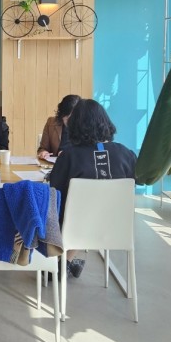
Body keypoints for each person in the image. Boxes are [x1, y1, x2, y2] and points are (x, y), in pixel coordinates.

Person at [49, 99, 136, 279]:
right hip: (117, 228)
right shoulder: (125, 154)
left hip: (75, 228)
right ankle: (66, 262)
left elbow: (55, 191)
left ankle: (59, 262)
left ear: (75, 125)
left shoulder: (69, 157)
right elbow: (138, 180)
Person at [37, 94, 81, 160]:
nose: (70, 122)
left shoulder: (85, 127)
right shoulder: (51, 123)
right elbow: (42, 148)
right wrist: (43, 152)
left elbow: (88, 152)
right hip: (55, 164)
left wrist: (68, 154)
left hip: (76, 164)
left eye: (73, 118)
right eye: (67, 118)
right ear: (62, 114)